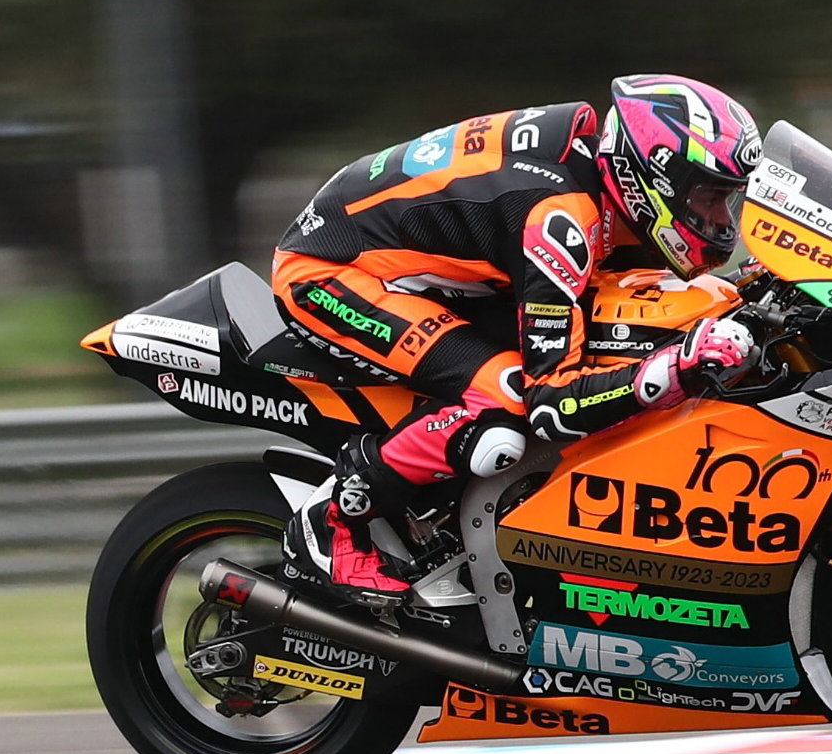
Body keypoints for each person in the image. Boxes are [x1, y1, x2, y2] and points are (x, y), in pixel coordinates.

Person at [274, 74, 763, 602]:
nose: (721, 220)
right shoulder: (558, 216)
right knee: (503, 405)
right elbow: (552, 402)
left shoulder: (597, 184)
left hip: (422, 268)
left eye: (728, 199)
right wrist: (674, 369)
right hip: (329, 274)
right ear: (650, 179)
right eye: (709, 197)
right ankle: (333, 516)